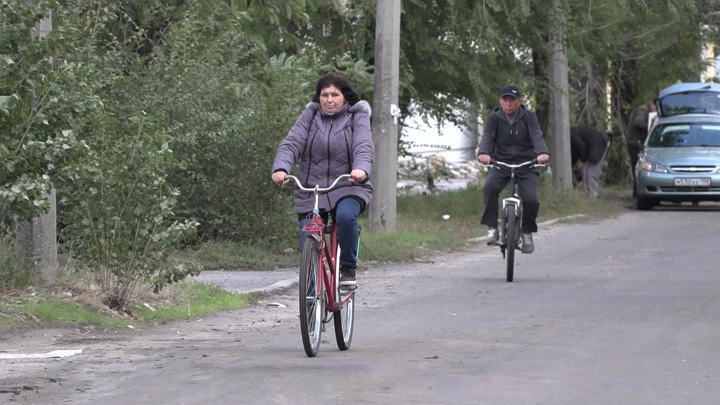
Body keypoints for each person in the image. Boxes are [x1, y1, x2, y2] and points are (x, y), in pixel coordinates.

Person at [271, 73, 373, 287]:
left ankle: (347, 268)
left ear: (344, 97)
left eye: (335, 95)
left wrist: (361, 170)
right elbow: (292, 143)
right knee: (307, 236)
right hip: (311, 189)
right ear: (318, 97)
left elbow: (363, 145)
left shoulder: (357, 117)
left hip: (348, 185)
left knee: (345, 217)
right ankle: (309, 298)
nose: (329, 99)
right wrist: (281, 168)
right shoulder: (310, 116)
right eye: (324, 95)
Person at [477, 85, 550, 254]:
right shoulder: (495, 118)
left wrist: (542, 153)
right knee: (489, 188)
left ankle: (526, 232)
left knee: (531, 200)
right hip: (501, 164)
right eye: (505, 99)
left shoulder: (529, 117)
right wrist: (483, 153)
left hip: (526, 165)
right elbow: (487, 136)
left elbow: (536, 135)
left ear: (519, 101)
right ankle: (492, 228)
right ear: (500, 101)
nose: (508, 104)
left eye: (512, 100)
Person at [570, 126, 613, 199]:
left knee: (591, 172)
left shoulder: (571, 135)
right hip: (593, 145)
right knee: (584, 170)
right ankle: (587, 196)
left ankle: (593, 196)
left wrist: (582, 160)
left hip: (599, 142)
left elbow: (580, 146)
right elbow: (575, 153)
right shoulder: (571, 135)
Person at [627, 99, 656, 194]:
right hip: (635, 142)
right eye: (655, 108)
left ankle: (636, 192)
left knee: (637, 166)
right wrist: (650, 127)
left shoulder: (644, 110)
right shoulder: (643, 110)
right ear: (652, 105)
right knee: (637, 166)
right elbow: (638, 123)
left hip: (637, 141)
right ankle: (637, 192)